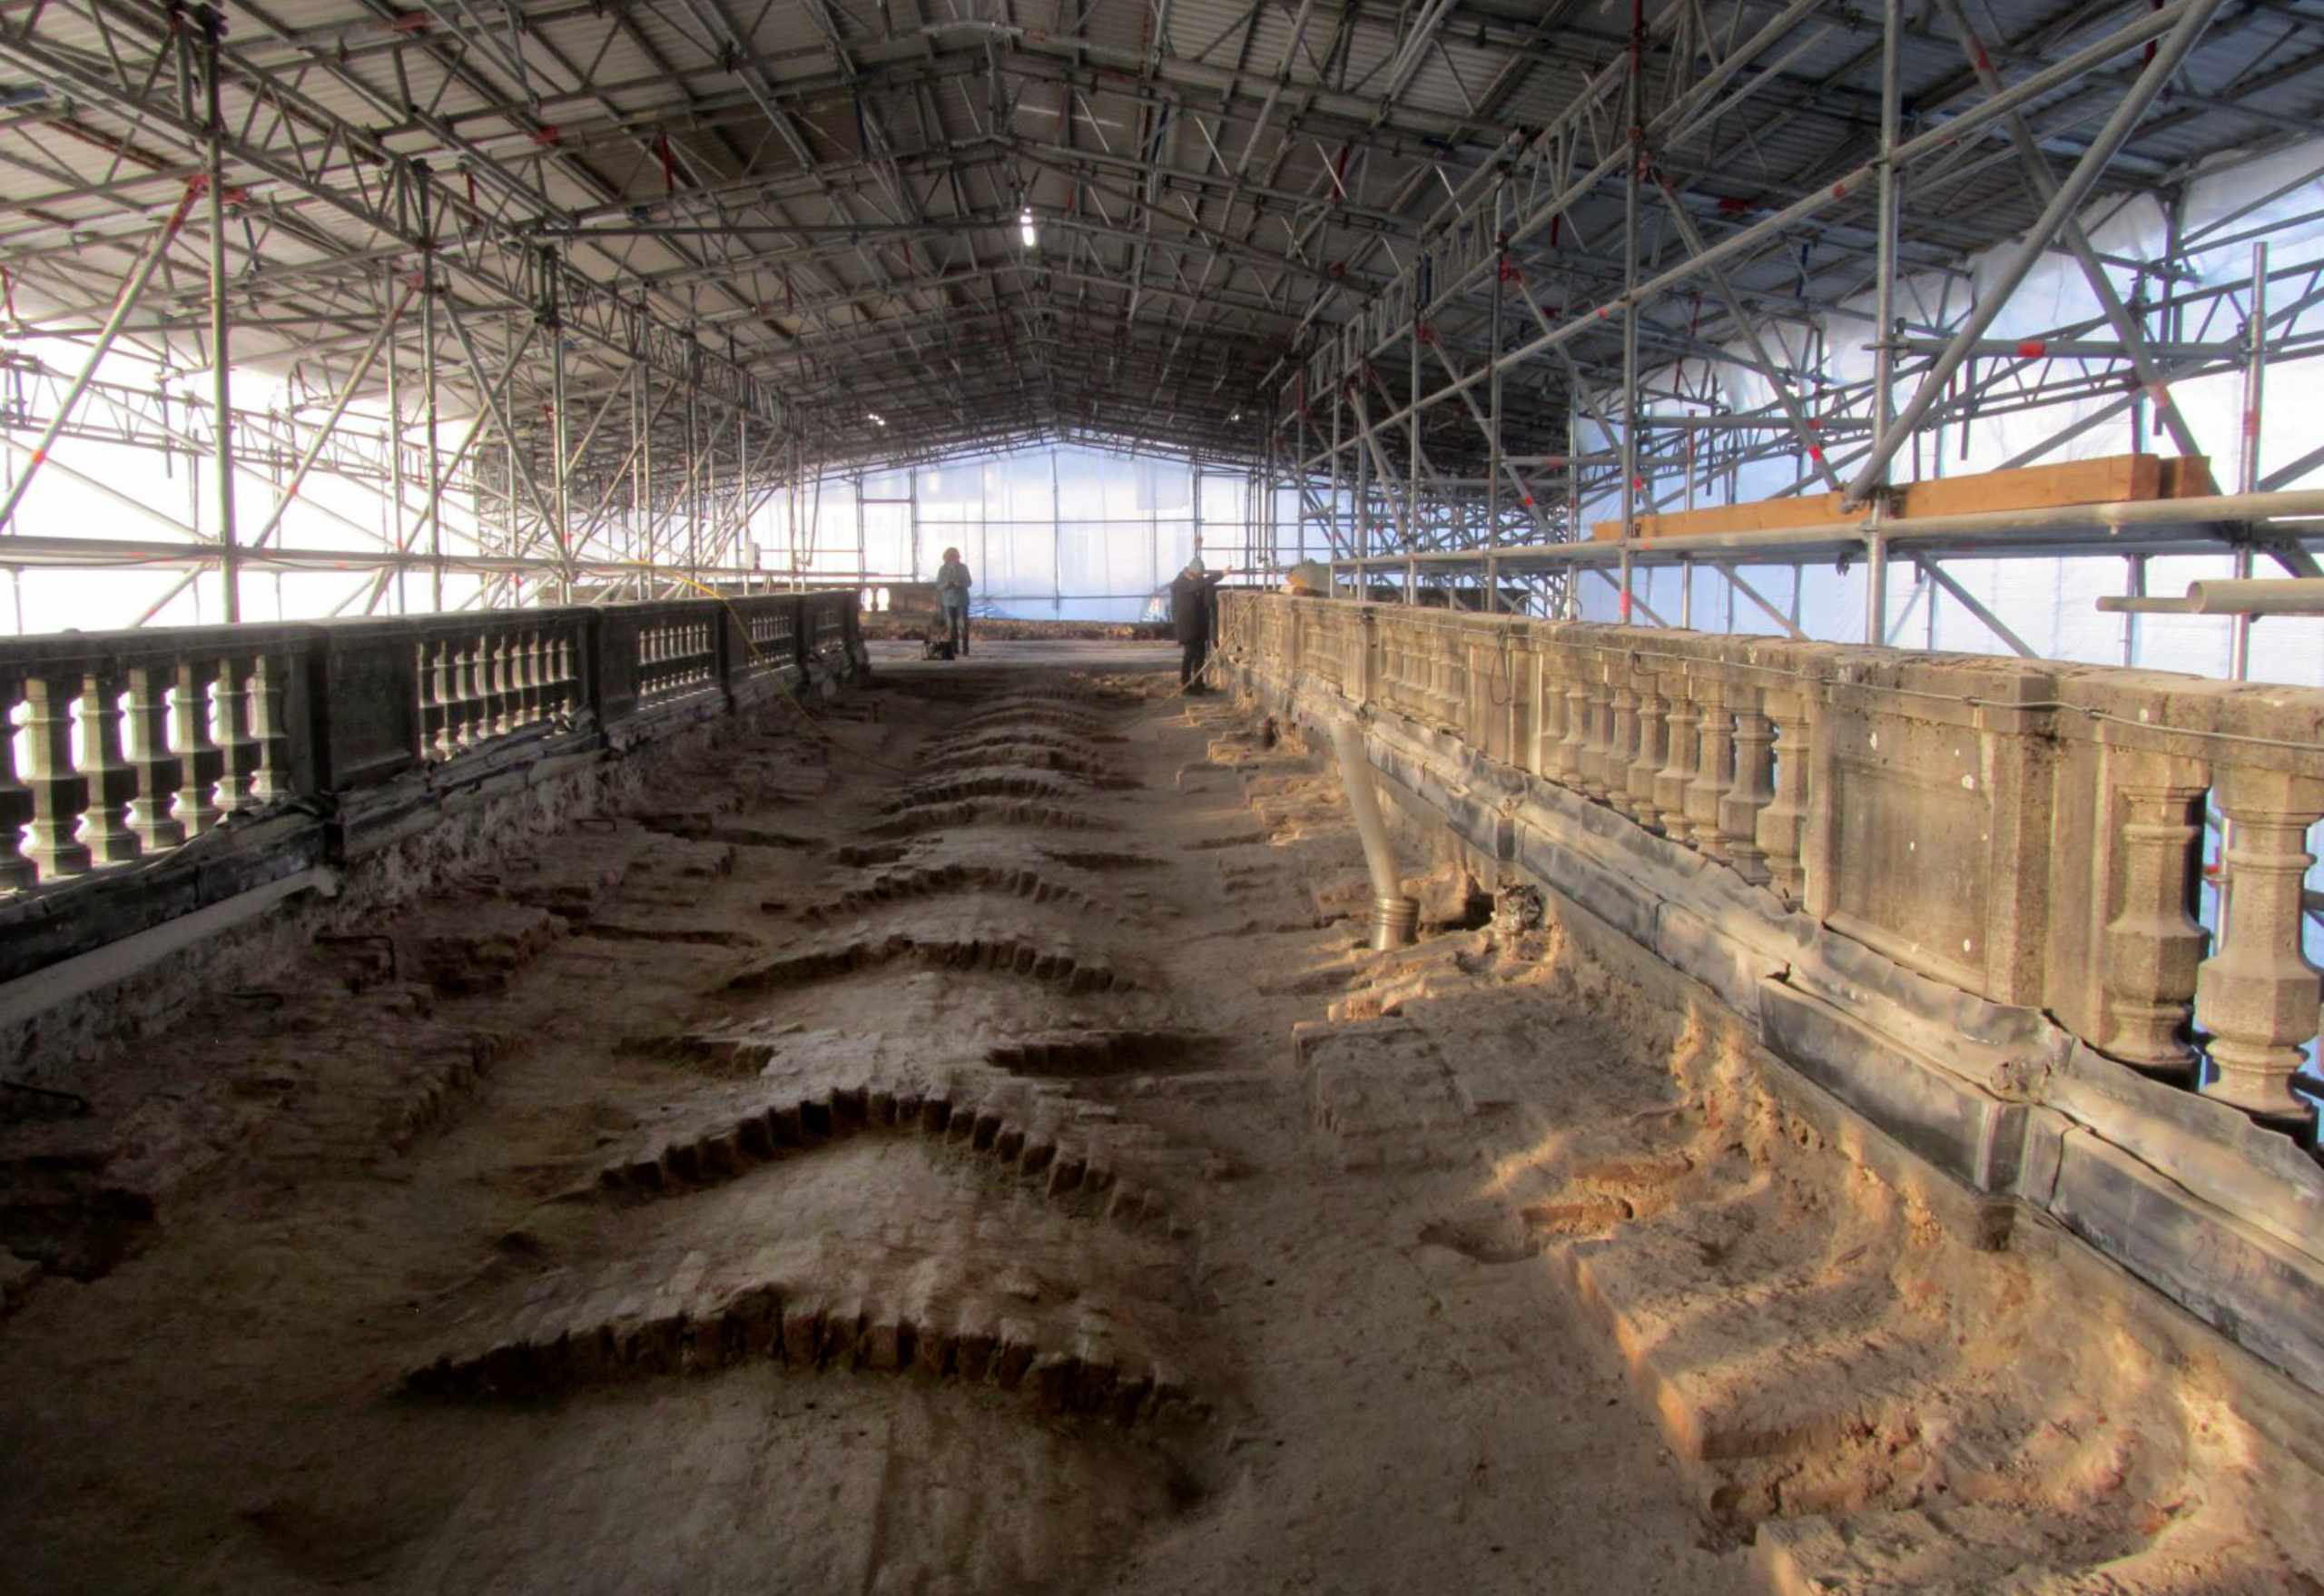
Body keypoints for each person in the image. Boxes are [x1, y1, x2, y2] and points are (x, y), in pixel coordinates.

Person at [1169, 557, 1229, 693]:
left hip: (1199, 625)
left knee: (1200, 655)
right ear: (1192, 572)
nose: (1201, 576)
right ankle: (1185, 685)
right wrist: (1221, 574)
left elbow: (1202, 589)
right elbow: (1198, 584)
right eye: (1199, 574)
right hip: (1187, 626)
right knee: (1189, 655)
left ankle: (1198, 684)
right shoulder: (1180, 583)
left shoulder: (1194, 582)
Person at [935, 547, 972, 657]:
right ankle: (954, 649)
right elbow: (938, 586)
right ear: (946, 558)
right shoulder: (942, 569)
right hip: (948, 602)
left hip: (962, 601)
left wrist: (960, 583)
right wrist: (947, 584)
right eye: (951, 558)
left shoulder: (963, 568)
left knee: (963, 625)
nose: (954, 560)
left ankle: (965, 649)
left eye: (955, 557)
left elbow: (969, 582)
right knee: (951, 627)